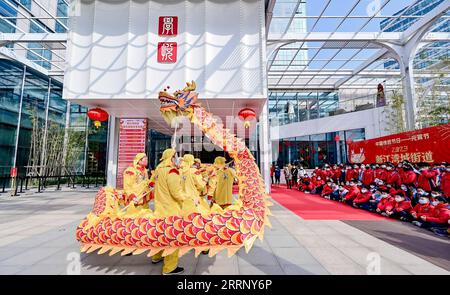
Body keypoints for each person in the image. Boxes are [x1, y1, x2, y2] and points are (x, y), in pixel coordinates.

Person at [150, 148, 188, 275]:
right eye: (176, 155)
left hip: (160, 208)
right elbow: (176, 192)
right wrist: (188, 198)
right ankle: (170, 268)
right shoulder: (172, 171)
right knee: (172, 238)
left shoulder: (159, 170)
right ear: (171, 157)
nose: (177, 158)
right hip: (171, 209)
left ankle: (156, 256)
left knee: (159, 235)